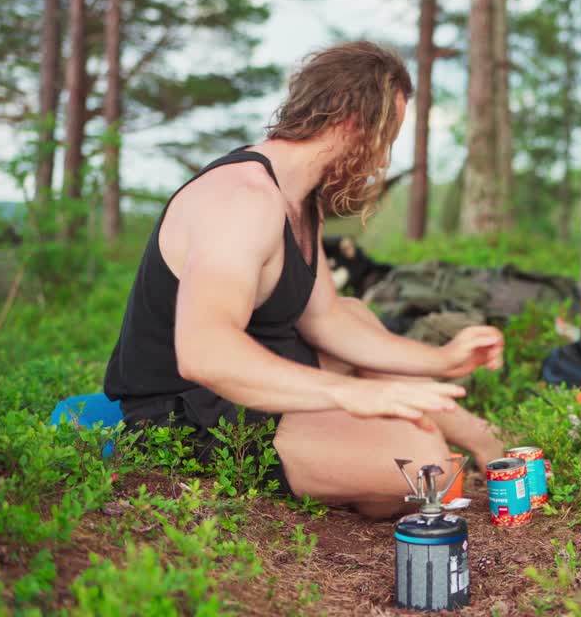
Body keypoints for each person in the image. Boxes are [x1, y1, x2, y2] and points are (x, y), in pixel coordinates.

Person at [104, 41, 507, 518]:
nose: (381, 162)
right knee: (425, 467)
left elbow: (327, 320)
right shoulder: (242, 200)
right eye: (386, 139)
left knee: (353, 313)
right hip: (191, 416)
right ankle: (365, 470)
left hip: (259, 381)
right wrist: (352, 394)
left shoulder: (300, 197)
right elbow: (204, 353)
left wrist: (443, 358)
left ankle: (483, 439)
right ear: (353, 123)